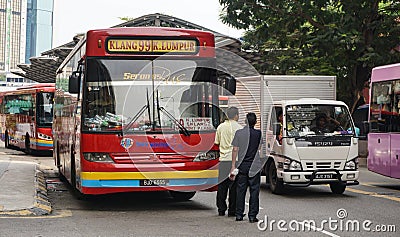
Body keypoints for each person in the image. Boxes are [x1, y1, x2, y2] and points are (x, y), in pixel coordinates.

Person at [230, 112, 262, 223]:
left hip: (242, 166)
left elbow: (235, 149)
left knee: (240, 190)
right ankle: (252, 216)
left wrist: (233, 165)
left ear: (245, 121)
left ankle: (239, 214)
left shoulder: (239, 133)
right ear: (255, 122)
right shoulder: (258, 133)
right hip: (254, 166)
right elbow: (259, 147)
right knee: (254, 191)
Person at [214, 107, 242, 217]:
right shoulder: (239, 128)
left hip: (224, 159)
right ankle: (232, 210)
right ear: (235, 115)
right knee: (234, 186)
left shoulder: (220, 127)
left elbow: (216, 142)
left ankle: (221, 209)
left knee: (222, 185)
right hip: (235, 160)